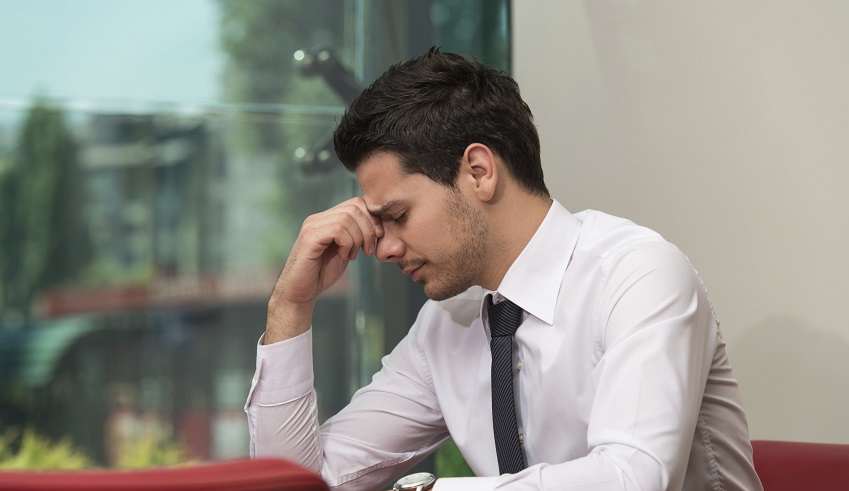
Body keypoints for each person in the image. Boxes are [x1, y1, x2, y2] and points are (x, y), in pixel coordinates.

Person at [244, 47, 763, 491]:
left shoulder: (638, 275)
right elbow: (300, 482)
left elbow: (631, 478)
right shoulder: (448, 325)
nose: (383, 248)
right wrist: (290, 306)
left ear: (478, 172)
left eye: (398, 216)